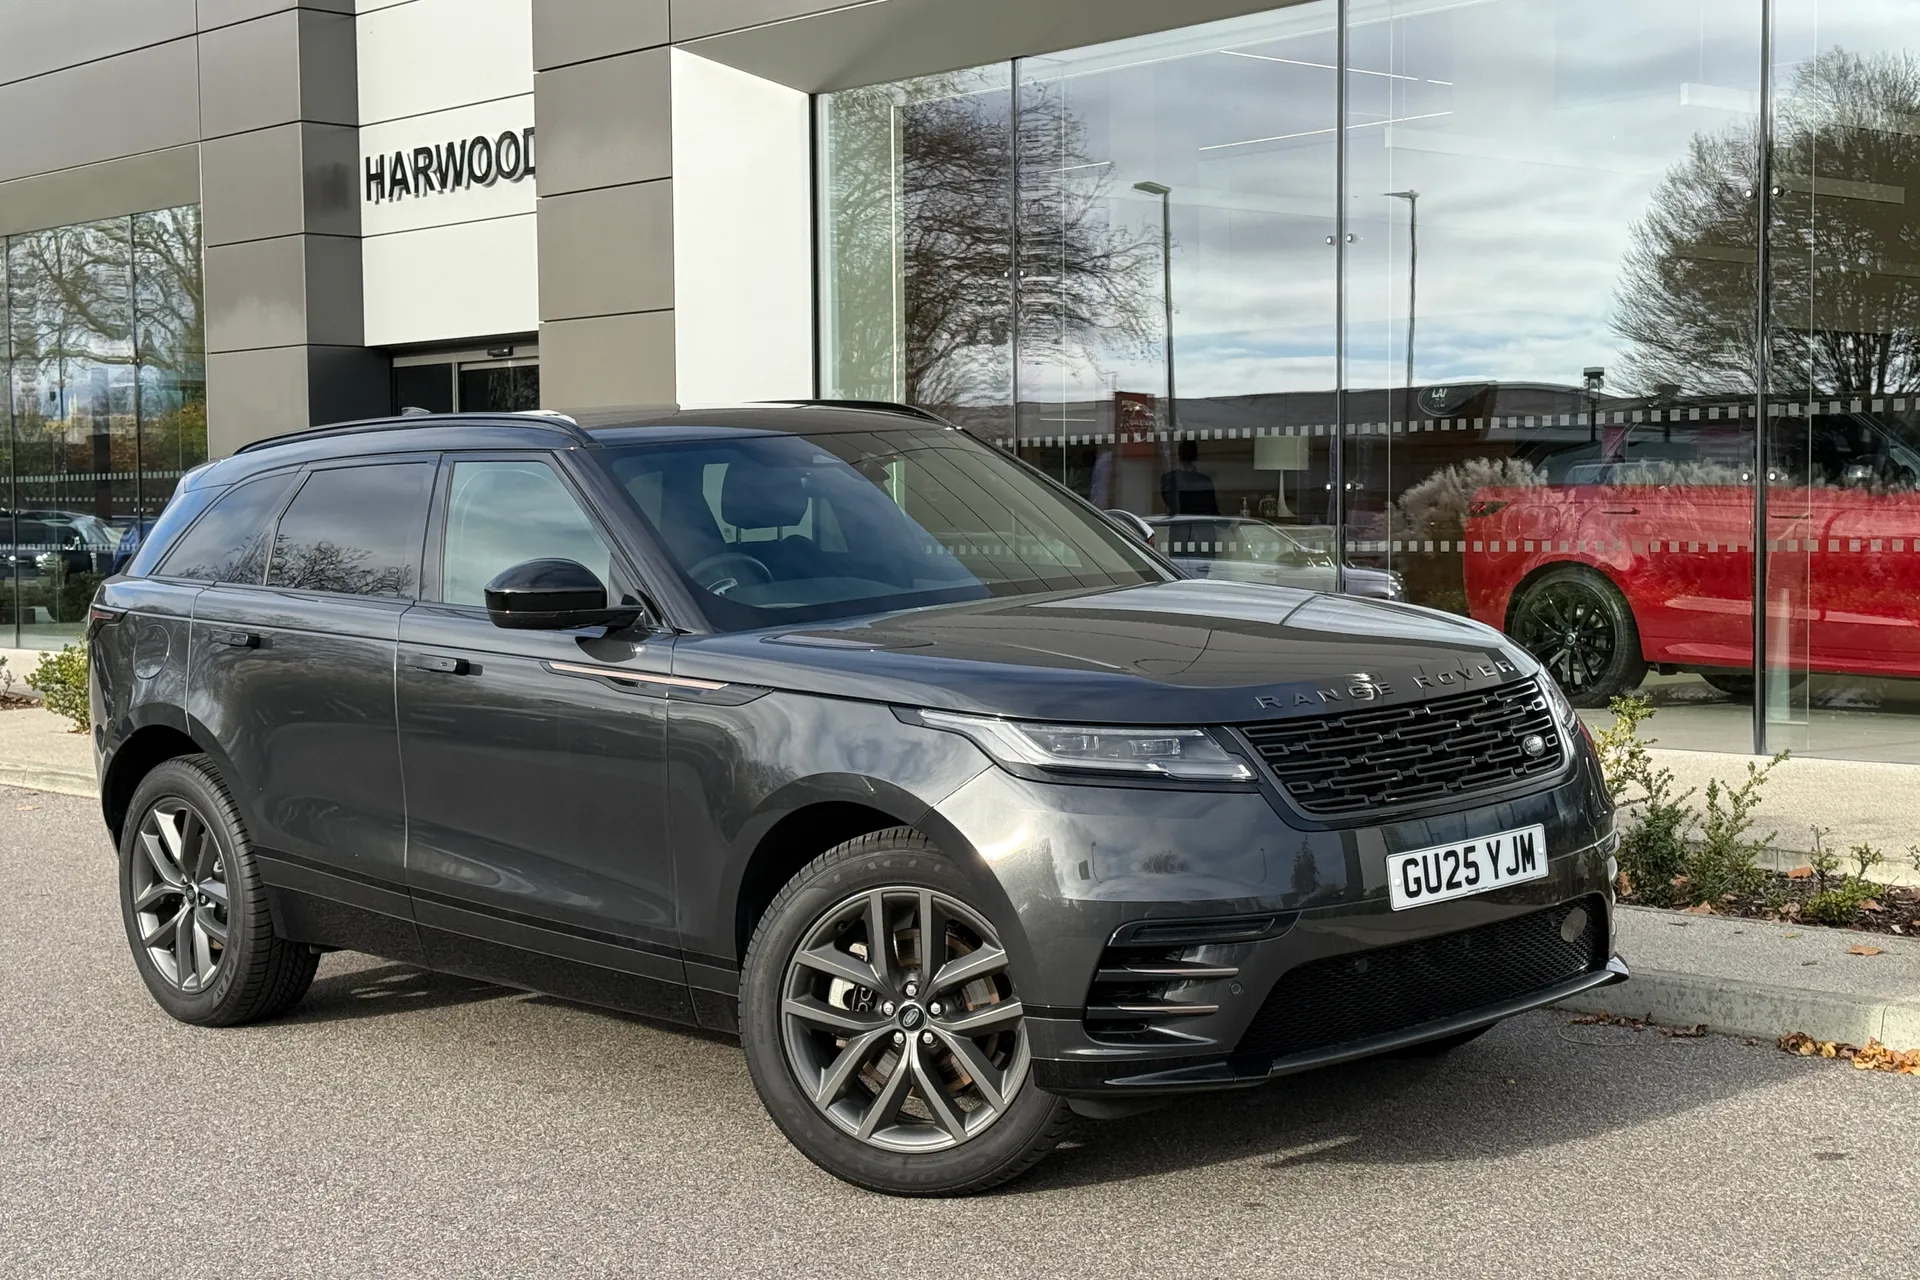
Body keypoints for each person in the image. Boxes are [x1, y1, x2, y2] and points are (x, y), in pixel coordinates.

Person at [1159, 438, 1219, 515]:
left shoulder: (1168, 478)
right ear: (1196, 456)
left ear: (1179, 455)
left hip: (1179, 524)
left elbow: (1171, 504)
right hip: (1201, 524)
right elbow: (1212, 510)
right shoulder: (1205, 481)